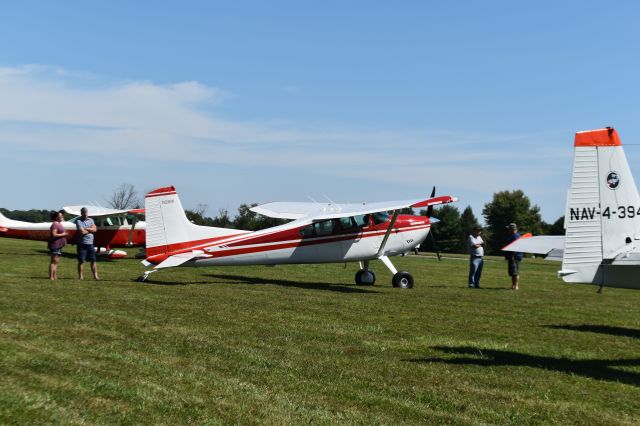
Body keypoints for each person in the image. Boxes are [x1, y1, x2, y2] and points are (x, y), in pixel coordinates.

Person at [76, 207, 99, 280]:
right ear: (81, 213)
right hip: (82, 244)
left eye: (86, 212)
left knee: (93, 260)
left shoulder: (91, 220)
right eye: (84, 212)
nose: (85, 214)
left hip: (90, 244)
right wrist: (90, 229)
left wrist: (87, 229)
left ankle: (95, 276)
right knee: (81, 261)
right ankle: (81, 276)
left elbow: (95, 229)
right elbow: (82, 232)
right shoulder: (78, 221)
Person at [48, 210, 68, 280]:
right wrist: (64, 234)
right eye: (60, 216)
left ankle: (55, 275)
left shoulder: (59, 223)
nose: (61, 217)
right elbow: (54, 234)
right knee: (53, 261)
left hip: (59, 245)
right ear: (56, 217)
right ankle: (51, 276)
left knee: (56, 261)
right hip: (55, 245)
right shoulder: (55, 224)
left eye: (62, 216)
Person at [504, 223, 523, 290]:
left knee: (515, 272)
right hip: (512, 256)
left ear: (512, 229)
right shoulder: (514, 235)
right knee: (512, 272)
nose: (508, 230)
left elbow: (515, 247)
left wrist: (513, 255)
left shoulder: (515, 236)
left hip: (514, 256)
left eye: (509, 228)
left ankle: (516, 286)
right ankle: (513, 285)